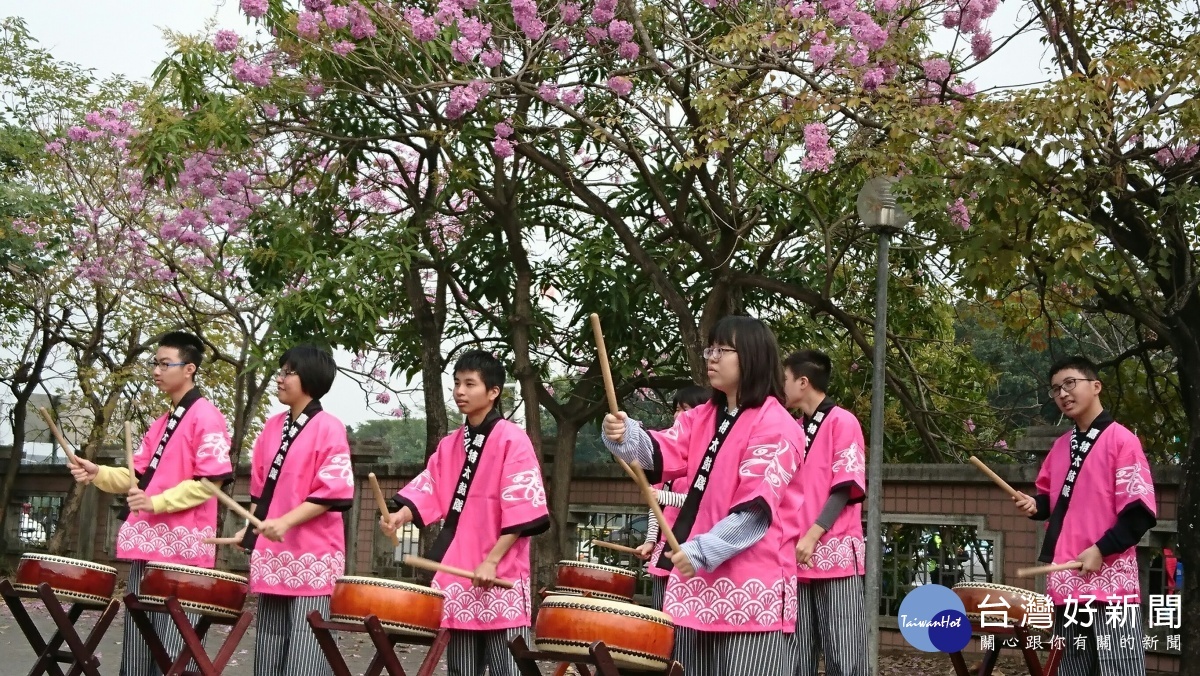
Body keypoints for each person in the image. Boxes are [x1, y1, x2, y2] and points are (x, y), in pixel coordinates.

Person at [602, 315, 802, 675]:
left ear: (753, 355)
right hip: (695, 580)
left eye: (722, 350)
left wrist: (696, 550)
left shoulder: (777, 424)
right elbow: (661, 451)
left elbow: (755, 511)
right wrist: (624, 434)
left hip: (749, 587)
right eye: (710, 349)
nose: (711, 357)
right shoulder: (702, 416)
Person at [68, 331, 233, 676]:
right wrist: (96, 472)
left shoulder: (206, 417)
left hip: (181, 547)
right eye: (154, 364)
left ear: (189, 369)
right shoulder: (163, 422)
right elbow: (136, 477)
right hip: (149, 542)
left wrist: (155, 502)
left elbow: (210, 483)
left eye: (164, 364)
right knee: (139, 643)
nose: (156, 371)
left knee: (171, 649)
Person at [381, 350, 550, 676]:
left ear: (493, 392)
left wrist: (491, 560)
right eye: (457, 383)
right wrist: (399, 517)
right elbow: (430, 487)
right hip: (458, 571)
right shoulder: (449, 444)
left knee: (508, 669)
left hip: (500, 570)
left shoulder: (512, 440)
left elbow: (520, 509)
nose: (460, 391)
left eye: (469, 384)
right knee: (461, 669)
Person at [210, 345, 353, 675]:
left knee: (304, 651)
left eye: (288, 372)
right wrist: (250, 530)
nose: (280, 378)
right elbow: (263, 493)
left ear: (310, 379)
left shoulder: (330, 427)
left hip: (312, 556)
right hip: (274, 554)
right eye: (281, 371)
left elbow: (333, 491)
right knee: (269, 647)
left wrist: (285, 522)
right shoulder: (272, 427)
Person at [1013, 356, 1157, 676]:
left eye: (1069, 384)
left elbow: (1139, 514)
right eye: (1055, 389)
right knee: (1070, 670)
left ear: (1096, 386)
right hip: (1066, 582)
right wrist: (1035, 505)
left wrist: (1100, 549)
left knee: (1120, 669)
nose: (1062, 393)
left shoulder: (1123, 441)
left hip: (1110, 582)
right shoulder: (1062, 445)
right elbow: (1057, 502)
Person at [783, 349, 867, 676]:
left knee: (843, 653)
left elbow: (845, 486)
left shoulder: (843, 421)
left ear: (803, 382)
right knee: (797, 654)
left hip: (833, 553)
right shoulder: (792, 427)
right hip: (797, 553)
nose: (781, 386)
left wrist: (812, 535)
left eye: (785, 379)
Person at [634, 385, 710, 611]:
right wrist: (650, 540)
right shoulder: (670, 458)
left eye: (685, 409)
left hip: (690, 545)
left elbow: (699, 501)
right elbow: (656, 507)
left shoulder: (706, 458)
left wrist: (661, 495)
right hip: (664, 547)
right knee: (660, 614)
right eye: (676, 409)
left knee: (682, 613)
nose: (678, 416)